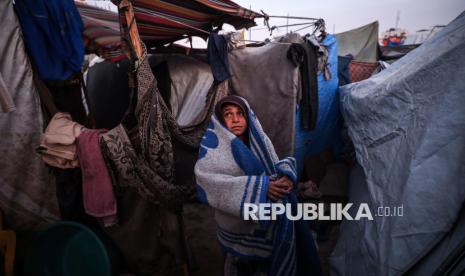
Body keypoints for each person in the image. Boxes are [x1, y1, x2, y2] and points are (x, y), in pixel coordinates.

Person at [195, 95, 322, 276]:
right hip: (237, 226)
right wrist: (262, 187)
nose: (236, 119)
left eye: (240, 113)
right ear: (220, 120)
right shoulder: (212, 149)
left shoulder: (258, 141)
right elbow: (209, 183)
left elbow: (274, 166)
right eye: (228, 115)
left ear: (248, 117)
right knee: (240, 268)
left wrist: (285, 177)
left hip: (268, 220)